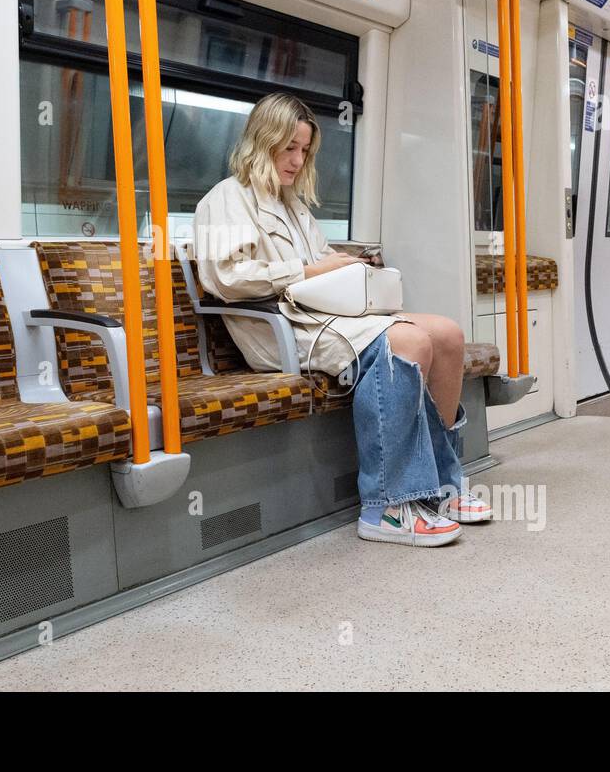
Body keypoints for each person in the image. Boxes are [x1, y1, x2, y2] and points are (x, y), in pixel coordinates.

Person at [193, 92, 490, 547]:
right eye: (288, 147)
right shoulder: (227, 199)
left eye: (304, 151)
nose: (296, 160)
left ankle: (444, 486)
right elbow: (227, 279)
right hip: (280, 328)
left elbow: (319, 258)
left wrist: (350, 265)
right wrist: (313, 271)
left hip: (319, 315)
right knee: (408, 344)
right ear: (263, 140)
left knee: (447, 335)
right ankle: (386, 506)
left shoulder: (293, 206)